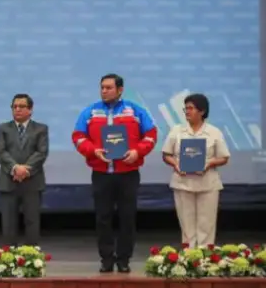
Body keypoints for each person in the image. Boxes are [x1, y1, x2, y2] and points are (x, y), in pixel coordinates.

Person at [72, 74, 157, 273]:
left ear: (120, 90)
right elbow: (77, 136)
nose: (104, 91)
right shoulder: (90, 112)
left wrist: (137, 152)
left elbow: (151, 135)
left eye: (109, 87)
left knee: (127, 218)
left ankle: (124, 259)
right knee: (103, 218)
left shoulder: (135, 111)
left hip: (128, 173)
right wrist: (93, 151)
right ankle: (106, 259)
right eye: (102, 87)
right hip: (101, 174)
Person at [161, 93, 230, 247]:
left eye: (191, 108)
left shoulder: (214, 132)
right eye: (185, 108)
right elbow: (166, 154)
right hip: (182, 183)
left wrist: (209, 163)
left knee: (207, 224)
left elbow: (224, 157)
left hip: (208, 184)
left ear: (202, 111)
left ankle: (205, 258)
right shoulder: (177, 130)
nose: (187, 112)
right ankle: (189, 258)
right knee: (187, 225)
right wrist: (176, 164)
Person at [0, 93, 49, 247]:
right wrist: (15, 168)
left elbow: (41, 152)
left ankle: (31, 256)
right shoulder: (3, 128)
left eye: (22, 106)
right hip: (8, 180)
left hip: (32, 181)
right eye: (15, 106)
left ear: (30, 110)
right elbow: (1, 152)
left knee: (32, 221)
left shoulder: (41, 128)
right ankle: (9, 258)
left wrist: (25, 169)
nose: (17, 109)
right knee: (8, 223)